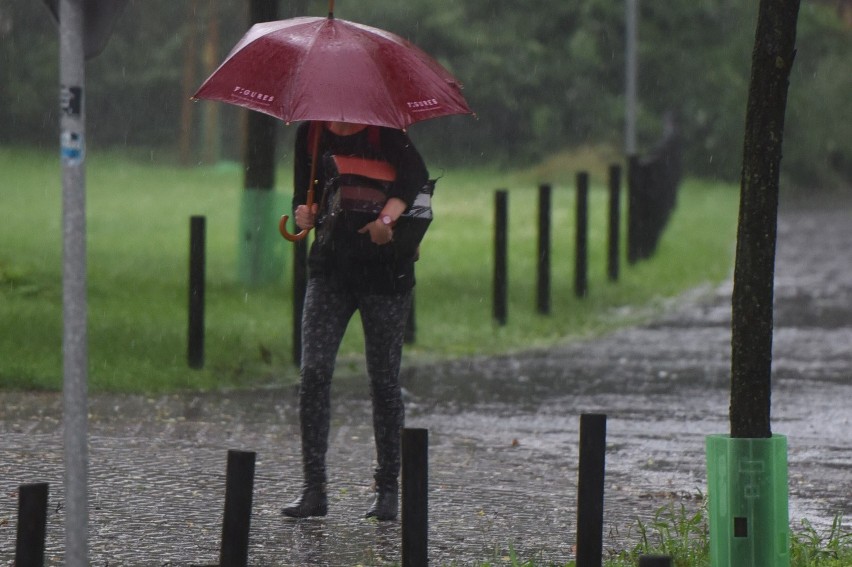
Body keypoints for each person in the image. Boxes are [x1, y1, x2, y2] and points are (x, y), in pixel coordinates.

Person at [282, 121, 429, 521]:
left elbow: (416, 177)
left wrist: (385, 223)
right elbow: (303, 194)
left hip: (385, 273)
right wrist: (303, 214)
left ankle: (387, 491)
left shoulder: (385, 131)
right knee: (313, 373)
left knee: (383, 380)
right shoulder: (311, 132)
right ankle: (314, 489)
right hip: (330, 270)